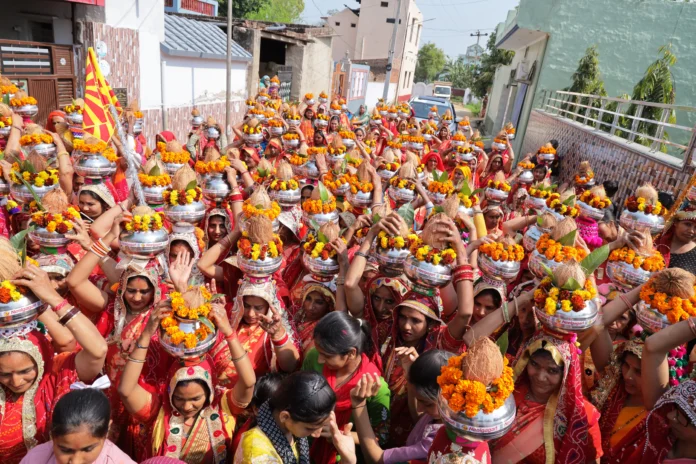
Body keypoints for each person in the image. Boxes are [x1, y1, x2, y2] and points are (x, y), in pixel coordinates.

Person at [118, 300, 256, 463]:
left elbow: (248, 382)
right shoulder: (160, 410)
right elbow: (125, 390)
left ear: (210, 391)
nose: (186, 406)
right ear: (169, 391)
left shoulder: (223, 407)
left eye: (195, 399)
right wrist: (147, 334)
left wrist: (229, 334)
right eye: (179, 398)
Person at [1, 265, 108, 464]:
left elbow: (98, 350)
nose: (15, 381)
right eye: (4, 374)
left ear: (40, 360)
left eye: (25, 371)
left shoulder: (58, 375)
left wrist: (51, 298)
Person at [491, 332, 603, 463]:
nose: (540, 377)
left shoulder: (581, 415)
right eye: (534, 365)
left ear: (567, 373)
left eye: (552, 371)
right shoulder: (504, 393)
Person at [303, 312, 391, 464]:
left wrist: (339, 435)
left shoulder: (374, 387)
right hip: (304, 445)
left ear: (351, 353)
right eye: (319, 352)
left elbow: (381, 436)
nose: (320, 359)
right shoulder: (314, 359)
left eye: (327, 355)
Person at [350, 350, 452, 464]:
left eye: (427, 404)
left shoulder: (438, 440)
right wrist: (410, 378)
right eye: (420, 401)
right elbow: (419, 421)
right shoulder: (443, 414)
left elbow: (376, 459)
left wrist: (358, 405)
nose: (420, 409)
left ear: (448, 396)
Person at [234, 371, 356, 464]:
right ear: (285, 416)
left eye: (321, 426)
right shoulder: (256, 454)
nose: (317, 435)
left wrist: (347, 458)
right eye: (310, 428)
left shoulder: (283, 423)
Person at [19, 389, 136, 464]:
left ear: (106, 431)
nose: (75, 461)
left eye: (88, 449)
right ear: (53, 436)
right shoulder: (35, 458)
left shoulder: (119, 461)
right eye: (65, 450)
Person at [655, 206, 696, 274]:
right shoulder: (656, 242)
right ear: (676, 222)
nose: (691, 231)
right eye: (688, 224)